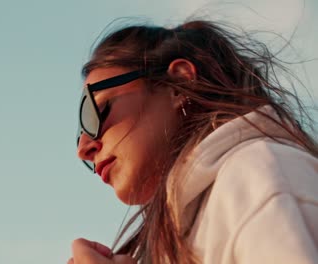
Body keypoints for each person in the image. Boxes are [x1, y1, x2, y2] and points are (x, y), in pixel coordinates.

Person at [69, 19, 318, 264]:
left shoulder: (257, 176)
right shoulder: (178, 231)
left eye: (95, 110)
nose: (84, 149)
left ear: (179, 83)